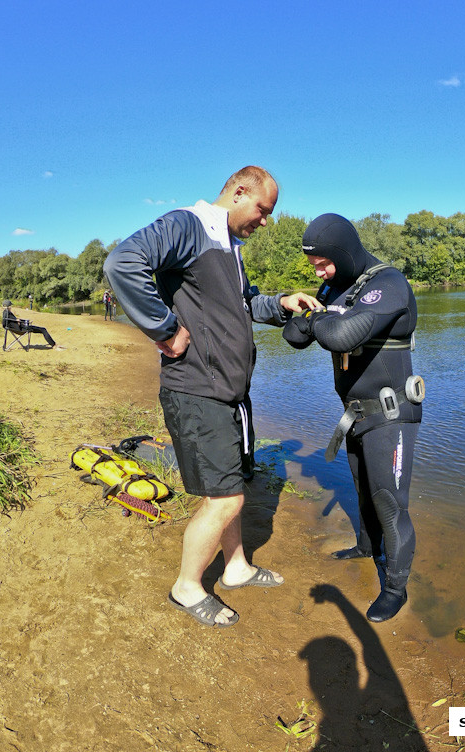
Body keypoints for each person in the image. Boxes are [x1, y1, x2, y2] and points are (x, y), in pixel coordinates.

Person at [104, 166, 321, 628]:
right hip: (197, 390)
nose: (265, 221)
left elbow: (243, 305)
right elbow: (122, 264)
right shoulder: (189, 225)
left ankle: (237, 567)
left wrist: (281, 303)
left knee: (232, 490)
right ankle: (187, 586)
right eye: (262, 210)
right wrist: (166, 331)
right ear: (239, 192)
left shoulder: (229, 246)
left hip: (229, 393)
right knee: (223, 501)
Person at [283, 214, 424, 622]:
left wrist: (321, 320)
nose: (319, 271)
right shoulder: (336, 287)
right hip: (357, 414)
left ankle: (395, 588)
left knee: (390, 502)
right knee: (363, 489)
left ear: (345, 252)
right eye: (314, 265)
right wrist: (317, 315)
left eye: (324, 262)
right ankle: (367, 548)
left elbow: (341, 337)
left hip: (392, 413)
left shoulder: (388, 284)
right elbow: (294, 337)